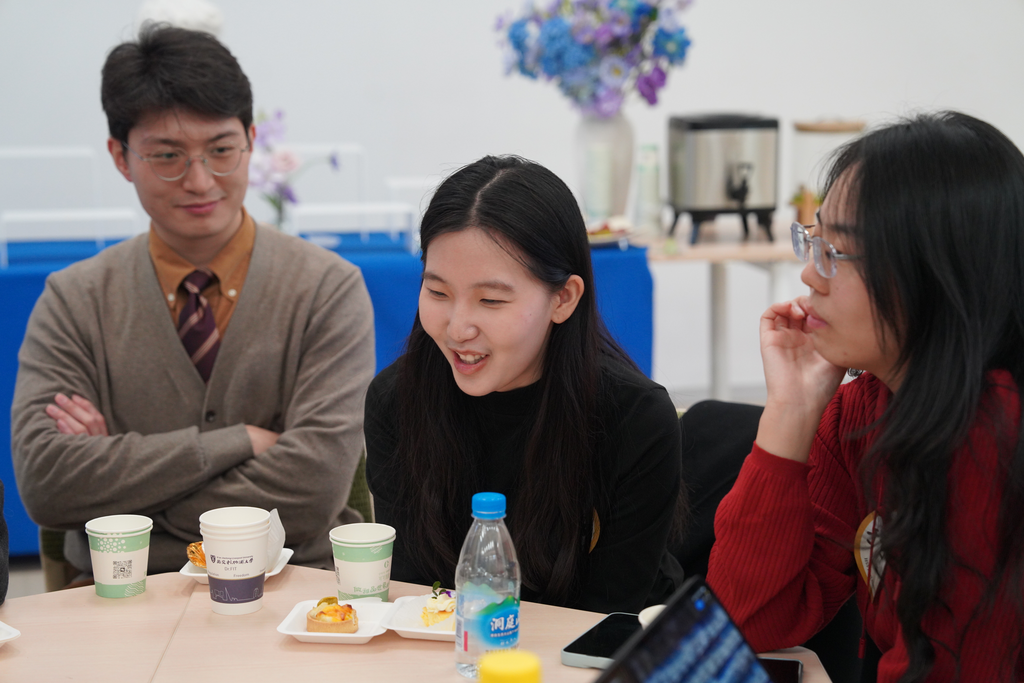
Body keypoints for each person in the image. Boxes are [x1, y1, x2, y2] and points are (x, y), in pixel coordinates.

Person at [10, 25, 375, 577]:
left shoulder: (327, 288)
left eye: (222, 151)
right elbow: (47, 483)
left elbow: (313, 490)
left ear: (251, 139)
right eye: (167, 156)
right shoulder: (74, 300)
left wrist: (124, 492)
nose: (201, 181)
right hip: (122, 598)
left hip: (296, 594)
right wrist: (239, 442)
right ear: (120, 156)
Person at [707, 112, 1024, 682]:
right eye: (813, 241)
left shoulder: (993, 431)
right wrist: (790, 412)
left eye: (836, 251)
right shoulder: (862, 408)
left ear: (934, 272)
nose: (810, 275)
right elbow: (747, 624)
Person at [365, 155, 684, 614]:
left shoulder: (634, 419)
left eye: (490, 300)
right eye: (437, 292)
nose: (457, 328)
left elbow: (606, 620)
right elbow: (417, 598)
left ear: (563, 298)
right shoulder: (396, 401)